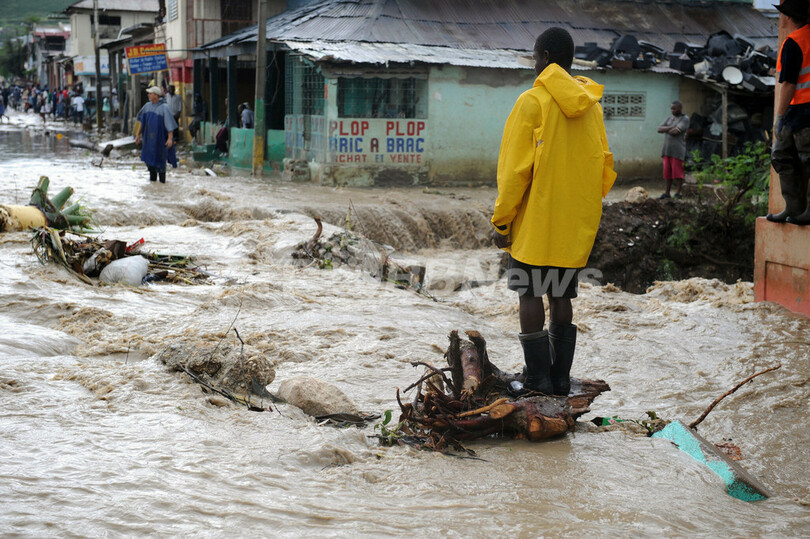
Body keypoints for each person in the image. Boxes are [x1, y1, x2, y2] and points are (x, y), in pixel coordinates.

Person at [491, 27, 616, 396]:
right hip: (572, 224)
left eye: (535, 58)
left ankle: (537, 380)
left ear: (545, 57)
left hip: (534, 224)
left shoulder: (532, 102)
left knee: (529, 295)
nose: (534, 65)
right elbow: (604, 166)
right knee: (560, 296)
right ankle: (560, 380)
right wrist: (579, 209)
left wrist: (502, 222)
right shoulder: (591, 107)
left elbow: (514, 172)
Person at [769, 0, 810, 225]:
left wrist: (779, 117)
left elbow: (788, 84)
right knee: (781, 154)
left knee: (799, 157)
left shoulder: (794, 42)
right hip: (798, 111)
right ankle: (794, 207)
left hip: (801, 110)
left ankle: (802, 210)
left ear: (787, 17)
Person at [135, 86, 178, 183]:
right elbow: (142, 121)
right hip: (148, 140)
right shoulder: (147, 106)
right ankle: (153, 185)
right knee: (149, 163)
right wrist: (138, 135)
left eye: (150, 93)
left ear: (156, 95)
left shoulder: (164, 108)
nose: (148, 95)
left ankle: (162, 185)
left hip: (159, 140)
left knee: (160, 162)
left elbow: (169, 124)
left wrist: (170, 139)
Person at [657, 100, 689, 199]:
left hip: (677, 151)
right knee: (667, 173)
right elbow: (659, 129)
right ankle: (667, 193)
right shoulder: (669, 118)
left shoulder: (685, 119)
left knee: (678, 173)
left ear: (680, 108)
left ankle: (678, 193)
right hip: (667, 150)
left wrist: (666, 129)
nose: (672, 110)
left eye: (674, 108)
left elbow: (675, 132)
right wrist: (671, 127)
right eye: (671, 108)